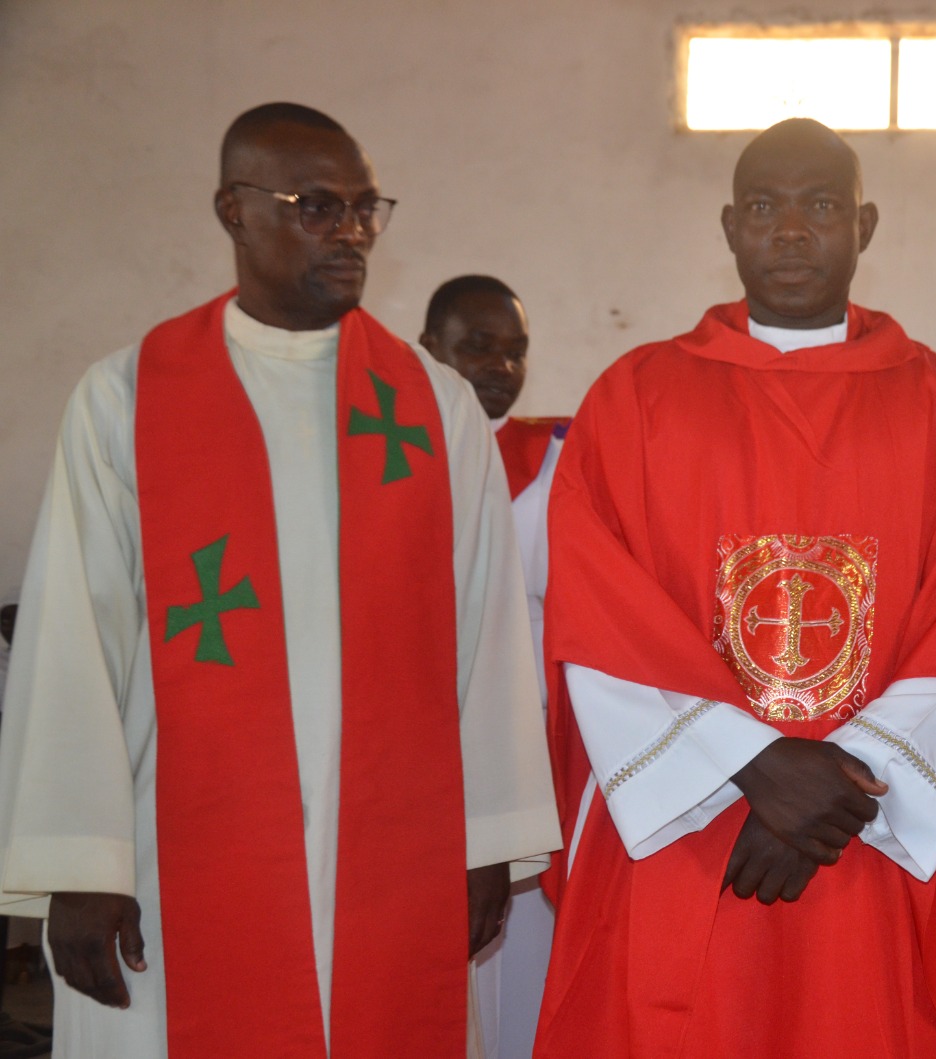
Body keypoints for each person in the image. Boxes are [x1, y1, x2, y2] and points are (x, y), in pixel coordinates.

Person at [0, 103, 561, 1059]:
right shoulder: (128, 398)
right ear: (232, 209)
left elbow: (490, 628)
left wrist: (484, 840)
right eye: (315, 206)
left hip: (391, 850)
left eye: (363, 208)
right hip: (175, 846)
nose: (349, 232)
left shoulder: (433, 407)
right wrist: (79, 864)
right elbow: (71, 637)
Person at [532, 117, 936, 1057]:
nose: (792, 232)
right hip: (694, 831)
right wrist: (754, 767)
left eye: (821, 207)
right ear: (728, 226)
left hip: (873, 829)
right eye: (765, 207)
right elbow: (599, 614)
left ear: (866, 225)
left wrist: (835, 788)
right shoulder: (633, 398)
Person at [420, 275, 567, 1058]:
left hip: (531, 733)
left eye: (515, 351)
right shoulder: (389, 453)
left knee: (529, 944)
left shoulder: (561, 457)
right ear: (429, 348)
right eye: (478, 346)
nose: (500, 366)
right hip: (420, 731)